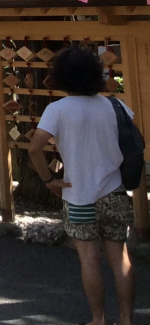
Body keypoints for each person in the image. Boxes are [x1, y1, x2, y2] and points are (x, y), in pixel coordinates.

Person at [29, 45, 135, 325]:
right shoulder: (115, 105)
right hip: (115, 192)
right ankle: (126, 320)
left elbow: (34, 149)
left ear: (61, 75)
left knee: (89, 260)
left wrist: (50, 180)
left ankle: (98, 320)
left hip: (78, 195)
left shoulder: (57, 109)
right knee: (120, 259)